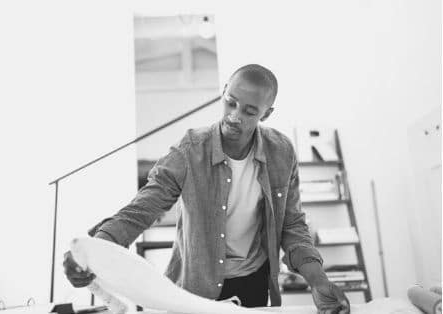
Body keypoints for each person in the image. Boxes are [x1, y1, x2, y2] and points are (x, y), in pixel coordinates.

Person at [63, 64, 350, 313]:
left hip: (255, 282)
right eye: (230, 102)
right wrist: (94, 251)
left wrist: (318, 280)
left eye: (250, 111)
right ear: (224, 92)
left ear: (267, 113)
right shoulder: (189, 151)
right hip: (195, 287)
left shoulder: (282, 152)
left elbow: (292, 224)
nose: (235, 116)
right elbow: (142, 209)